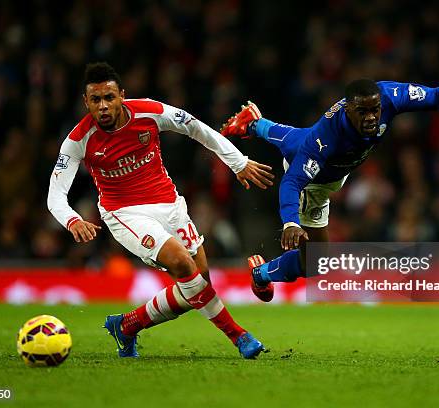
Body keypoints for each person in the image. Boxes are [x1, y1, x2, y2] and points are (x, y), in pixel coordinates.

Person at [47, 62, 275, 358]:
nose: (103, 106)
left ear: (122, 96)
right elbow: (55, 195)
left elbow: (195, 127)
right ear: (86, 102)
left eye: (109, 98)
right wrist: (72, 219)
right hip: (125, 213)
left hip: (169, 203)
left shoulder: (149, 112)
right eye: (96, 100)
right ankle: (239, 336)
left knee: (199, 283)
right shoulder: (78, 140)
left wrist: (238, 162)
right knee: (182, 264)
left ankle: (128, 325)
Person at [221, 79, 439, 302]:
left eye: (375, 110)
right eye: (363, 112)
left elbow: (436, 95)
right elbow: (293, 182)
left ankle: (254, 124)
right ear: (348, 109)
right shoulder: (328, 137)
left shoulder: (390, 96)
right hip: (317, 184)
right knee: (315, 264)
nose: (372, 116)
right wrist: (291, 221)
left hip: (328, 159)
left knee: (297, 137)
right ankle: (261, 273)